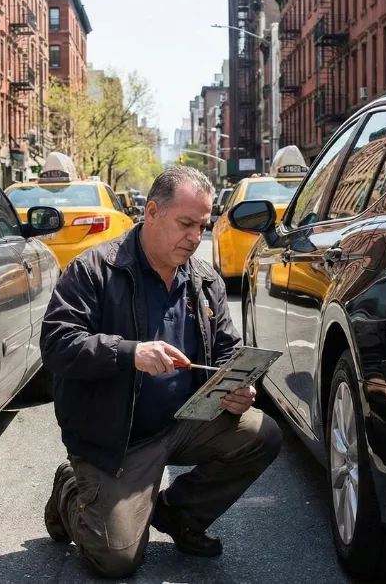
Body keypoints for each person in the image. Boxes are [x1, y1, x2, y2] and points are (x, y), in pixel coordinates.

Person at [40, 166, 282, 578]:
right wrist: (129, 353)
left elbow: (228, 349)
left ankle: (177, 514)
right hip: (117, 439)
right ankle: (70, 487)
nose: (194, 237)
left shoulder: (204, 281)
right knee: (117, 560)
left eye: (202, 226)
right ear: (152, 212)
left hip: (184, 423)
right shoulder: (95, 269)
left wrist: (238, 386)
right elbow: (57, 345)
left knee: (262, 433)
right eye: (185, 224)